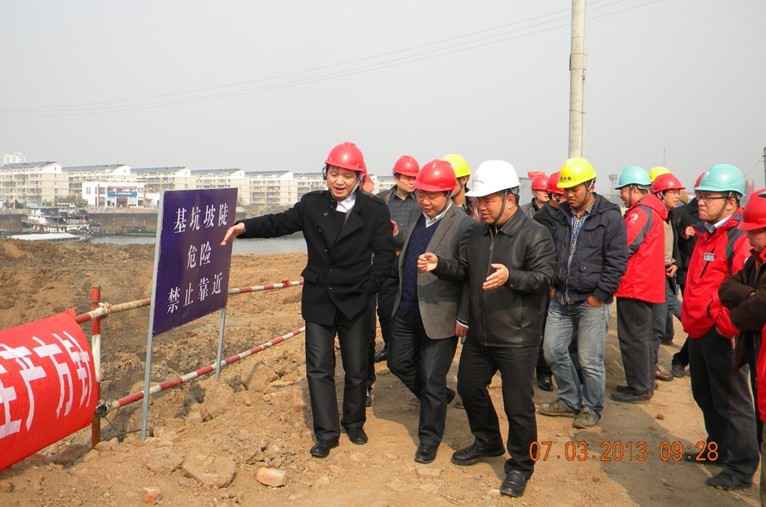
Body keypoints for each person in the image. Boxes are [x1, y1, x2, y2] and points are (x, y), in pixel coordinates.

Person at [221, 142, 395, 458]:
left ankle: (354, 422)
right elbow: (280, 223)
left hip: (356, 300)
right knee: (318, 368)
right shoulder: (312, 204)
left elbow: (384, 257)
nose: (339, 181)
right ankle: (326, 433)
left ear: (359, 178)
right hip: (319, 299)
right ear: (325, 173)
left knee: (357, 368)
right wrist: (244, 227)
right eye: (334, 173)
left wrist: (368, 288)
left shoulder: (375, 210)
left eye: (347, 175)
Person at [418, 160, 556, 497]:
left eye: (488, 200)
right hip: (480, 334)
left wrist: (512, 277)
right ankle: (488, 440)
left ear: (510, 197)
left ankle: (521, 465)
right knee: (469, 388)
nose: (481, 207)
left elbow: (545, 278)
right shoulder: (476, 234)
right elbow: (466, 271)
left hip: (517, 336)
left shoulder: (535, 234)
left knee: (517, 405)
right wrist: (440, 265)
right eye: (478, 200)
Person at [387, 159, 473, 464]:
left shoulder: (464, 225)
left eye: (432, 195)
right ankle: (436, 398)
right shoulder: (416, 215)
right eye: (421, 193)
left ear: (449, 193)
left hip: (440, 315)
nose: (425, 200)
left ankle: (429, 438)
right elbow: (406, 248)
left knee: (432, 378)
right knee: (398, 362)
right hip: (407, 308)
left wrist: (441, 267)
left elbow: (468, 273)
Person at [680, 163, 758, 490]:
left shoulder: (738, 240)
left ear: (732, 201)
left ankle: (740, 467)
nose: (700, 202)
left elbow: (745, 293)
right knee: (704, 393)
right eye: (700, 195)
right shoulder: (706, 233)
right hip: (699, 329)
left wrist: (726, 324)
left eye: (708, 197)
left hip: (722, 333)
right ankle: (717, 449)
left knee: (732, 401)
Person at [539, 158, 627, 428]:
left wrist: (599, 295)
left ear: (591, 185)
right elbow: (552, 252)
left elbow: (617, 261)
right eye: (566, 190)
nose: (569, 195)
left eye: (574, 189)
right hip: (561, 297)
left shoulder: (609, 217)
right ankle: (569, 399)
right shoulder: (561, 215)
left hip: (591, 302)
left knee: (589, 360)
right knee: (552, 351)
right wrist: (552, 284)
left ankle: (591, 407)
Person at [611, 166, 667, 403]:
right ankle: (644, 383)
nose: (621, 196)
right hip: (646, 284)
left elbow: (625, 245)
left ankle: (639, 387)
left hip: (636, 285)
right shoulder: (652, 211)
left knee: (634, 339)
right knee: (643, 337)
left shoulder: (640, 213)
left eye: (623, 191)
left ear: (634, 189)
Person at [719, 188, 766, 449]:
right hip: (756, 345)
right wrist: (751, 294)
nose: (748, 236)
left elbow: (760, 307)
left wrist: (735, 318)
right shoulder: (755, 260)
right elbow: (726, 287)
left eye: (754, 231)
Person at [372, 156, 421, 367]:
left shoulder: (422, 200)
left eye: (414, 178)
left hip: (411, 262)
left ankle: (411, 348)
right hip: (386, 262)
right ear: (396, 177)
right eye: (408, 177)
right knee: (385, 309)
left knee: (410, 306)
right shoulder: (381, 200)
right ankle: (390, 345)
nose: (412, 182)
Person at [670, 173, 703, 377]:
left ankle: (684, 359)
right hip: (688, 272)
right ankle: (682, 359)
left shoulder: (724, 224)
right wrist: (684, 234)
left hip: (712, 276)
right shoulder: (680, 213)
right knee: (698, 320)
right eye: (703, 194)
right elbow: (671, 240)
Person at [650, 172, 685, 357]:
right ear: (660, 194)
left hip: (668, 274)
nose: (677, 196)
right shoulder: (652, 217)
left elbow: (675, 245)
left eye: (678, 192)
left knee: (660, 321)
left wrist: (675, 263)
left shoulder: (671, 216)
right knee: (659, 321)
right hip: (656, 276)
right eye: (673, 192)